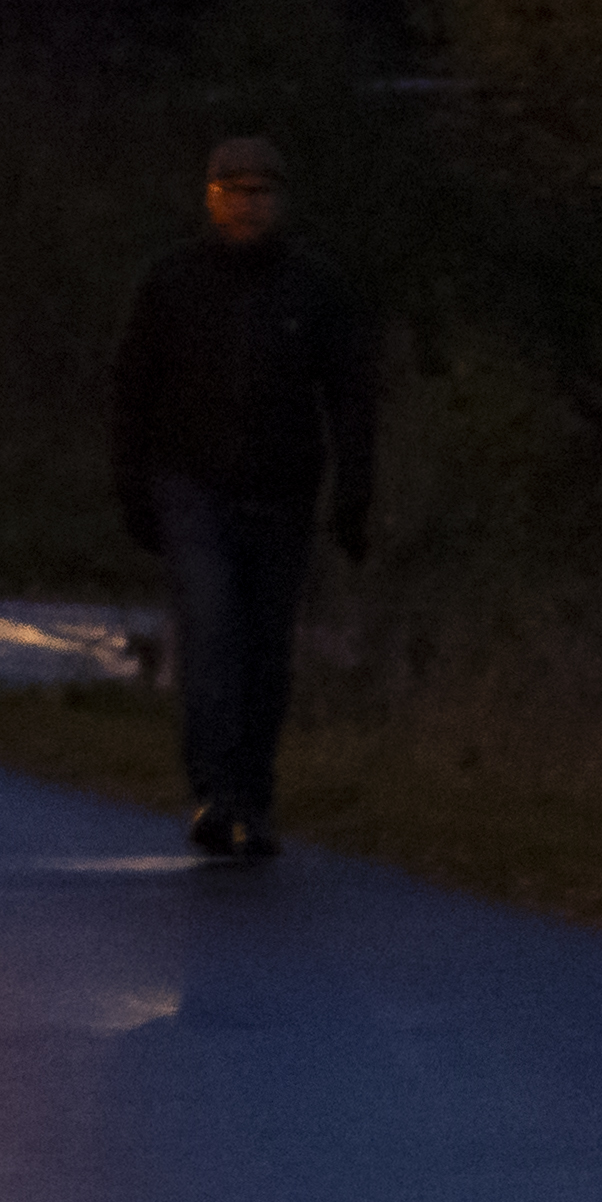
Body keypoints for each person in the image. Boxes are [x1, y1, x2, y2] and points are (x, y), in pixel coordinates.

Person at [110, 131, 382, 862]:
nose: (247, 206)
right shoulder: (173, 281)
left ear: (279, 200)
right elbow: (132, 388)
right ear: (211, 197)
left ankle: (252, 795)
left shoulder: (313, 288)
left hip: (281, 490)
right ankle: (213, 790)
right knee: (208, 636)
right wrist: (132, 485)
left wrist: (352, 491)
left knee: (265, 649)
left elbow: (350, 395)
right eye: (234, 191)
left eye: (260, 193)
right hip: (190, 484)